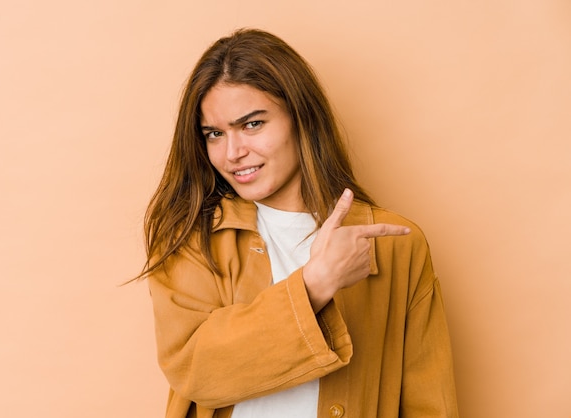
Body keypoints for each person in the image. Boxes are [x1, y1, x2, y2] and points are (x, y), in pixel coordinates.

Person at [139, 28, 459, 418]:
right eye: (215, 134)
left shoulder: (394, 244)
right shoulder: (193, 238)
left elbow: (429, 404)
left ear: (301, 117)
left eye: (253, 124)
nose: (233, 152)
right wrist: (313, 286)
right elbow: (196, 372)